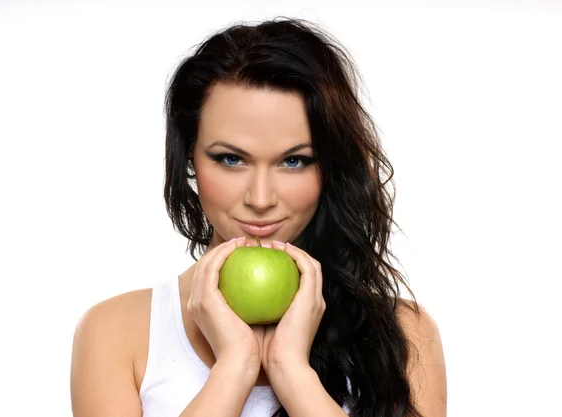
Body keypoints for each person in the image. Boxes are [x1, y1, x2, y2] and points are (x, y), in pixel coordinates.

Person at [70, 18, 447, 417]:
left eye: (294, 161)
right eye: (231, 159)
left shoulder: (405, 334)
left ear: (330, 169)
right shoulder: (116, 332)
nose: (261, 199)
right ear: (190, 159)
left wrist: (292, 372)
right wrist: (234, 368)